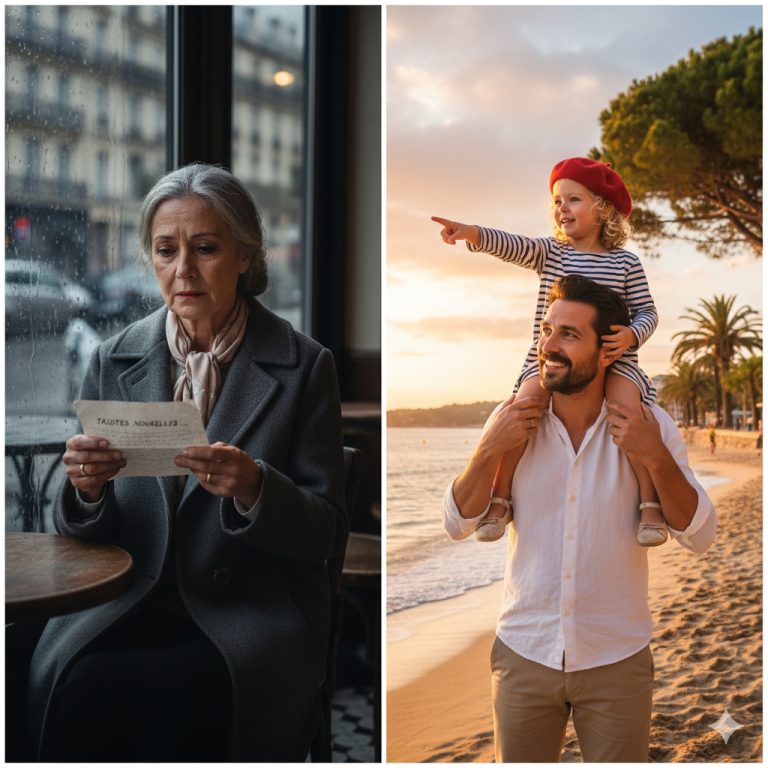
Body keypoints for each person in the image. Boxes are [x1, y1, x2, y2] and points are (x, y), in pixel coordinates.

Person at [25, 164, 348, 762]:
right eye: (166, 250)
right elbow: (76, 533)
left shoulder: (306, 366)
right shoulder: (111, 358)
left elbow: (327, 529)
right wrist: (87, 491)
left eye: (205, 248)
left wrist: (256, 488)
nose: (184, 271)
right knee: (75, 683)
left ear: (246, 257)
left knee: (179, 695)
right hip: (126, 598)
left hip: (248, 610)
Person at [442, 275, 717, 763]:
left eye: (568, 335)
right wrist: (489, 449)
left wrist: (655, 457)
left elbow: (700, 536)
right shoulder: (511, 418)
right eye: (547, 330)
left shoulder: (651, 427)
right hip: (522, 653)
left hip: (617, 658)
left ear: (608, 350)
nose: (548, 345)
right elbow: (456, 522)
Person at [432, 157, 667, 547]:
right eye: (557, 201)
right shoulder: (551, 253)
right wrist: (470, 232)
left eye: (573, 199)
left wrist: (631, 336)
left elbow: (648, 311)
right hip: (552, 359)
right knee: (521, 409)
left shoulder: (626, 262)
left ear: (604, 208)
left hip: (616, 358)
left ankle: (650, 504)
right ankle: (500, 498)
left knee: (630, 413)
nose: (561, 209)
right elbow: (511, 245)